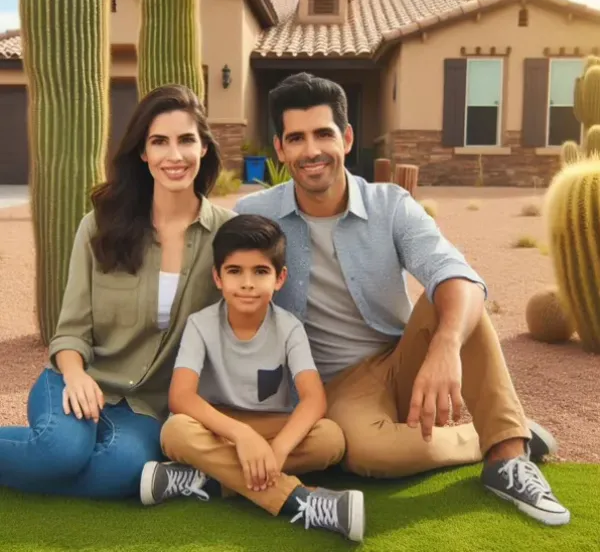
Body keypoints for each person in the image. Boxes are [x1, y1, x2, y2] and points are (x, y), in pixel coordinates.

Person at [231, 72, 570, 527]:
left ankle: (507, 458)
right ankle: (498, 432)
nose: (311, 151)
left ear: (346, 138)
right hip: (334, 384)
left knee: (454, 290)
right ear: (280, 149)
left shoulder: (390, 205)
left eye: (323, 134)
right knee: (368, 455)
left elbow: (455, 274)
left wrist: (446, 346)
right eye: (296, 138)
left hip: (401, 356)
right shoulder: (255, 216)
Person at [0, 84, 235, 499]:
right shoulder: (100, 225)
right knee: (60, 452)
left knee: (122, 471)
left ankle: (36, 464)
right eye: (159, 141)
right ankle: (47, 457)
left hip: (149, 407)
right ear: (143, 153)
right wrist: (75, 376)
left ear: (203, 149)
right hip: (79, 379)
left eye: (186, 140)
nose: (174, 156)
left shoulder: (227, 236)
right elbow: (70, 330)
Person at [140, 214, 365, 542]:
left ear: (279, 278)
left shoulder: (289, 328)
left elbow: (314, 399)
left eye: (260, 271)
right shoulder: (201, 324)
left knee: (330, 439)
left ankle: (207, 479)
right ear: (217, 277)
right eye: (235, 271)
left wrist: (278, 451)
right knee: (175, 431)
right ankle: (301, 500)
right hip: (216, 428)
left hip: (270, 429)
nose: (247, 283)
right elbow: (182, 398)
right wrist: (242, 436)